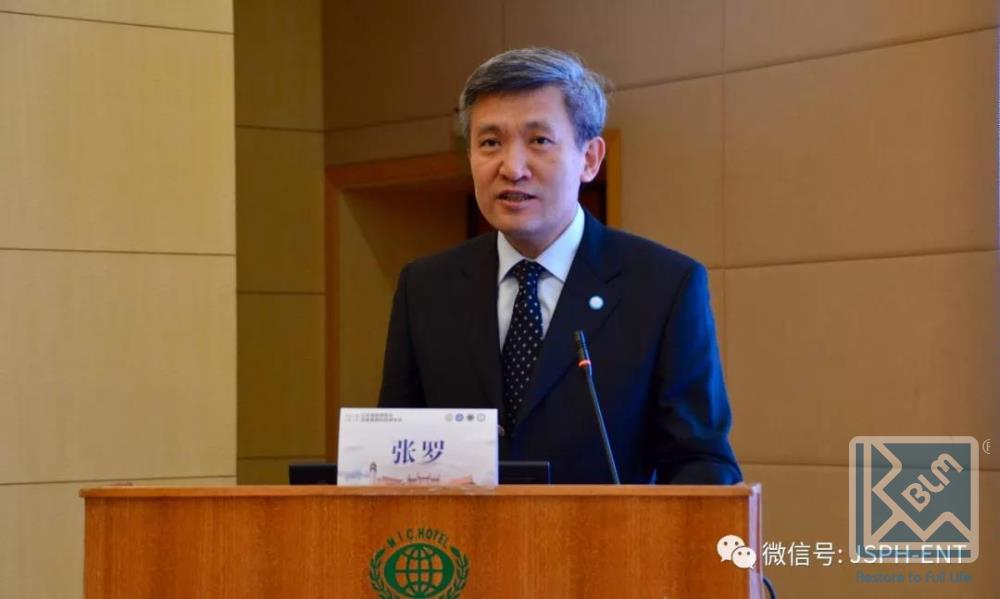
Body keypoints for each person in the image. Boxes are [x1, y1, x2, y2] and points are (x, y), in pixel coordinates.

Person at [378, 48, 741, 484]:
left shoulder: (663, 286)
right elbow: (396, 454)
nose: (512, 168)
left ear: (589, 159)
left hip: (609, 530)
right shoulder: (426, 288)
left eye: (539, 141)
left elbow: (701, 462)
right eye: (490, 143)